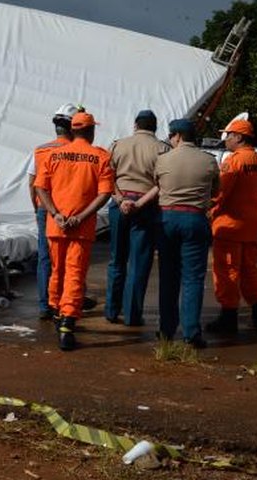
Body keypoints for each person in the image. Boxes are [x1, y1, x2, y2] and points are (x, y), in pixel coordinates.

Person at [34, 111, 114, 351]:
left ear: (72, 129)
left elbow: (40, 188)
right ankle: (68, 322)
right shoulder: (100, 157)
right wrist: (81, 216)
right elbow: (105, 193)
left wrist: (56, 214)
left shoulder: (52, 155)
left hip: (55, 225)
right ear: (90, 131)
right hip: (81, 227)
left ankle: (57, 310)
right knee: (75, 273)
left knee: (57, 270)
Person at [136, 119, 219, 348]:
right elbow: (216, 189)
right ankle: (191, 333)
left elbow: (158, 184)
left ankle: (166, 330)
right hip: (195, 219)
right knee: (193, 278)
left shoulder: (163, 160)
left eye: (171, 136)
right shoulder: (209, 161)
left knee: (168, 278)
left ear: (178, 136)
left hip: (167, 219)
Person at [206, 118, 257, 334]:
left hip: (229, 227)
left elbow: (221, 194)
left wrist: (209, 211)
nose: (225, 139)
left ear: (239, 137)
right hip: (251, 228)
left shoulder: (233, 162)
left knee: (227, 272)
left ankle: (228, 319)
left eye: (229, 135)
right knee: (250, 272)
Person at [105, 110, 168, 326]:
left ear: (135, 125)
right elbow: (162, 184)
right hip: (146, 207)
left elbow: (107, 178)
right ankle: (132, 316)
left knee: (116, 259)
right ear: (155, 127)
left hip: (119, 206)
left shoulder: (117, 145)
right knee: (139, 263)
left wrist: (121, 199)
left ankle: (111, 311)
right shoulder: (162, 149)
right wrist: (139, 203)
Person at [28, 103, 78, 320]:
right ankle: (65, 302)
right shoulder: (78, 152)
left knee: (45, 257)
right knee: (70, 257)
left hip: (45, 209)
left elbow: (33, 183)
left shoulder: (41, 150)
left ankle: (45, 305)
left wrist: (38, 207)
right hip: (71, 210)